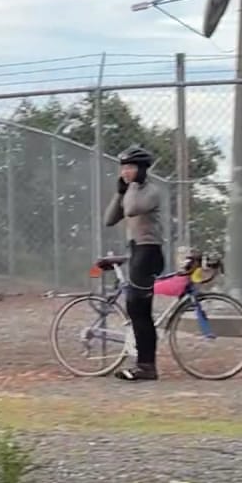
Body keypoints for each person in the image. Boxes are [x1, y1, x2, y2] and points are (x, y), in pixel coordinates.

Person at [105, 145, 164, 382]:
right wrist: (118, 192)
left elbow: (130, 210)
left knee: (138, 310)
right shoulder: (131, 190)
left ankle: (146, 366)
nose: (125, 172)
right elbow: (109, 219)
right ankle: (145, 365)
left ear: (142, 169)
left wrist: (128, 189)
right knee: (137, 310)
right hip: (137, 250)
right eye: (123, 167)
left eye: (130, 167)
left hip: (149, 251)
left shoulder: (151, 191)